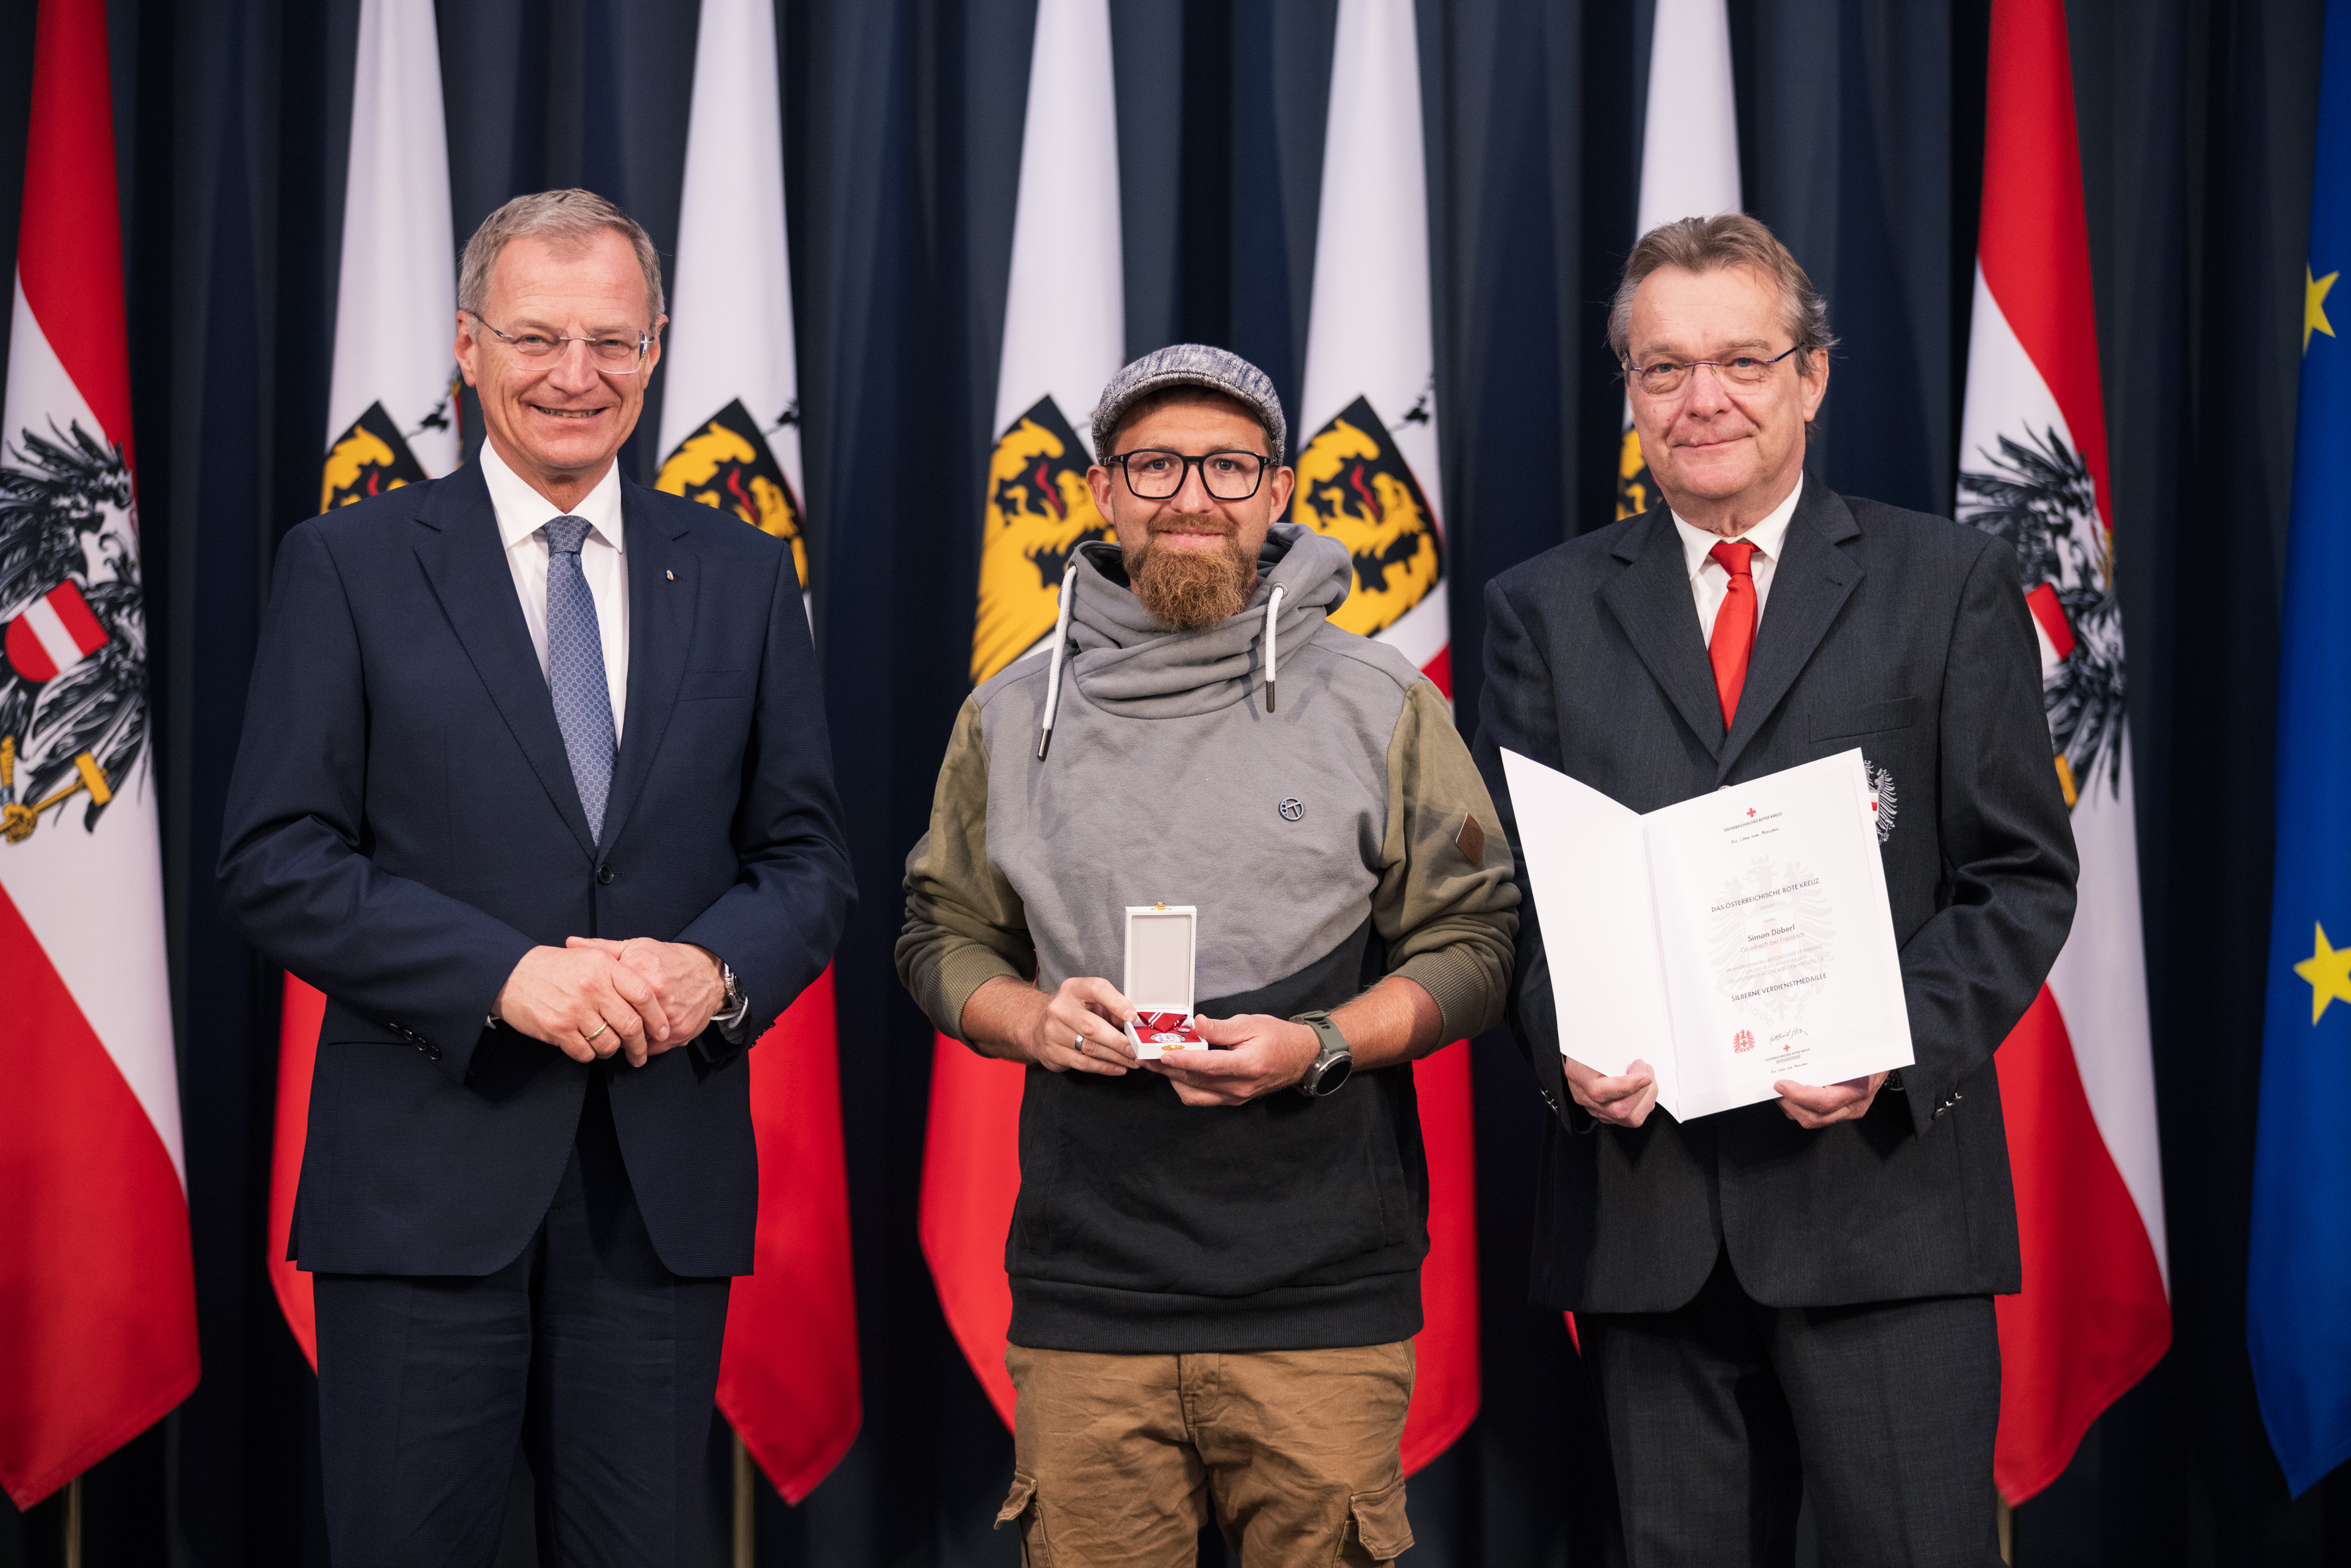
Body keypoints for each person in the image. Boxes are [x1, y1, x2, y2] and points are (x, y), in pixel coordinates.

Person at [218, 189, 854, 1565]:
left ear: (656, 347)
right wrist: (500, 977)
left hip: (657, 1194)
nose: (577, 374)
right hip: (421, 1184)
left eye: (612, 341)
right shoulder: (348, 565)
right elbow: (276, 861)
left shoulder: (743, 573)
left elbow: (808, 861)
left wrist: (716, 971)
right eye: (537, 338)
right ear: (467, 345)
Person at [1472, 214, 2077, 1567]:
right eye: (1664, 367)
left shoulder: (1947, 584)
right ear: (1631, 393)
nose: (1703, 399)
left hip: (1884, 1213)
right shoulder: (1540, 610)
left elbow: (2020, 875)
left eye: (1741, 361)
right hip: (1645, 1218)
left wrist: (1887, 1038)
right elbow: (1507, 898)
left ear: (1810, 377)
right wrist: (1565, 1040)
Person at [897, 344, 1518, 1567]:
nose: (1191, 496)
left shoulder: (1382, 701)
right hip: (1089, 1297)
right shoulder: (1009, 714)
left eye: (1228, 466)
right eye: (1155, 466)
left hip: (1323, 1301)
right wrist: (1030, 1021)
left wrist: (1321, 1044)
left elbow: (1478, 938)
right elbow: (938, 933)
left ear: (1278, 491)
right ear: (1102, 491)